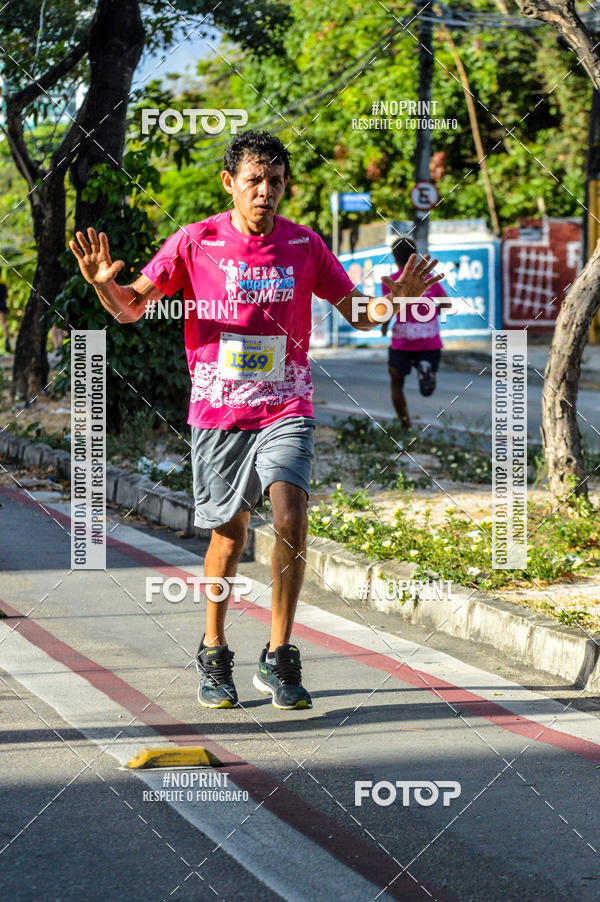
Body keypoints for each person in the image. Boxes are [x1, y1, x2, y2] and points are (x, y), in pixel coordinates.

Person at [69, 130, 442, 711]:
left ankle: (279, 653)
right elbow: (130, 308)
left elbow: (360, 315)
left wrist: (395, 297)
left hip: (287, 405)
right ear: (230, 183)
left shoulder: (305, 244)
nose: (265, 191)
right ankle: (214, 649)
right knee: (229, 535)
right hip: (219, 410)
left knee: (291, 516)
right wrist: (105, 287)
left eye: (275, 181)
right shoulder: (195, 241)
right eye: (254, 180)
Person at [381, 236, 449, 429]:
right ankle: (425, 368)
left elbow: (387, 309)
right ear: (415, 254)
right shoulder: (427, 278)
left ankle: (406, 427)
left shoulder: (391, 280)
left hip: (403, 339)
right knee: (428, 377)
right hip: (429, 338)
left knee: (396, 383)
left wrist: (384, 327)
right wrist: (431, 313)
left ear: (394, 257)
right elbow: (446, 303)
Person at [0, 281, 11, 353]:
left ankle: (7, 339)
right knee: (4, 322)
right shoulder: (3, 284)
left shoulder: (3, 284)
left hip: (2, 304)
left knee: (4, 322)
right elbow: (6, 296)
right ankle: (7, 338)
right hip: (2, 304)